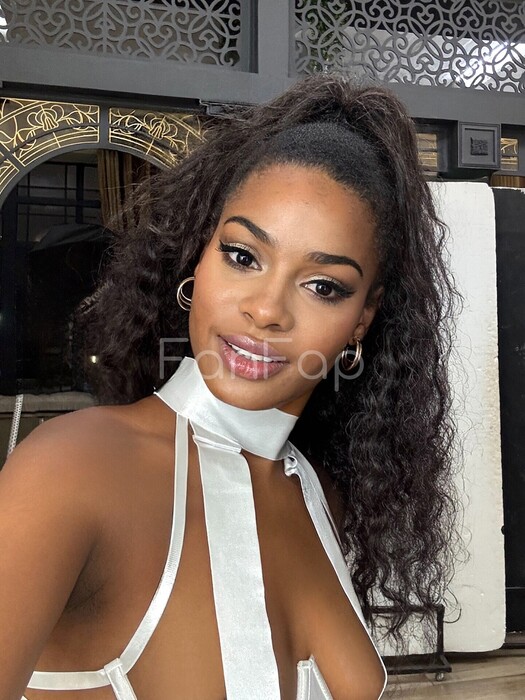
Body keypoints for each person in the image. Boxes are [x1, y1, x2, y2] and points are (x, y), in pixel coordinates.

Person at [0, 74, 458, 700]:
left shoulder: (319, 496)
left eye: (323, 286)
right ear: (199, 255)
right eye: (243, 256)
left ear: (362, 319)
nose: (266, 310)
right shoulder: (74, 469)